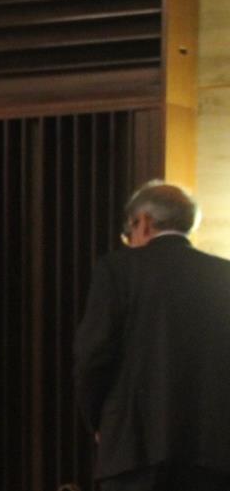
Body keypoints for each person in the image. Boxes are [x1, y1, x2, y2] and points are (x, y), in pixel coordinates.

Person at [74, 180, 230, 491]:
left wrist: (99, 420)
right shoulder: (223, 274)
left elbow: (92, 355)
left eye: (128, 232)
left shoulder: (117, 270)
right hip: (211, 452)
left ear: (143, 222)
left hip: (133, 448)